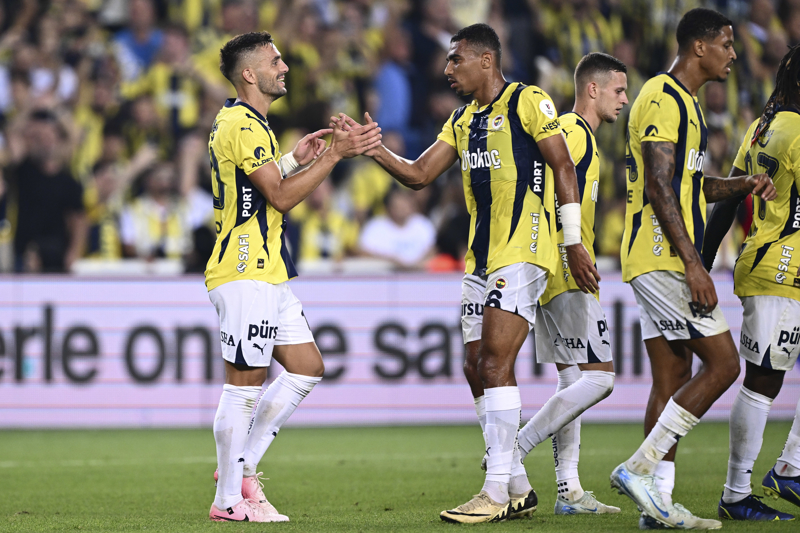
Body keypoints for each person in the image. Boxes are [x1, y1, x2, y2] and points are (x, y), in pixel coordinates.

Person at [334, 23, 599, 524]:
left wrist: (573, 241)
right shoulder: (461, 120)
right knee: (475, 365)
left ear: (486, 60)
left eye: (455, 59)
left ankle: (494, 490)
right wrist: (373, 148)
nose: (447, 69)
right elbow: (419, 175)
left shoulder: (528, 101)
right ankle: (517, 486)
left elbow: (563, 166)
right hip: (480, 260)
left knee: (496, 361)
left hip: (523, 250)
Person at [205, 31, 382, 523]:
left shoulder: (246, 122)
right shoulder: (243, 123)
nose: (284, 67)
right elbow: (280, 198)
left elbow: (252, 187)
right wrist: (333, 156)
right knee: (244, 386)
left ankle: (242, 467)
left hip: (269, 272)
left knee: (306, 367)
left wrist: (290, 161)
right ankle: (228, 501)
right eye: (274, 61)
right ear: (249, 74)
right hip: (244, 270)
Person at [610, 8, 776, 530]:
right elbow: (658, 186)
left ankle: (657, 505)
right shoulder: (662, 96)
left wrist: (741, 184)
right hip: (662, 258)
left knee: (672, 377)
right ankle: (639, 468)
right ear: (699, 47)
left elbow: (689, 186)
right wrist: (693, 264)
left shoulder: (688, 105)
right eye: (726, 44)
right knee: (724, 365)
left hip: (657, 257)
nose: (733, 54)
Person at [513, 52, 628, 516]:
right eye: (618, 90)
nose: (624, 99)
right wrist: (573, 248)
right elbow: (547, 189)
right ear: (592, 89)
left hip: (557, 264)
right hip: (565, 267)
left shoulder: (580, 136)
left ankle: (569, 491)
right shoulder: (572, 129)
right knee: (601, 379)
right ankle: (514, 449)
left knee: (572, 379)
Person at [703, 44, 800, 522]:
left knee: (766, 376)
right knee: (763, 379)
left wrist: (702, 259)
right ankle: (738, 492)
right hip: (779, 268)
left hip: (769, 264)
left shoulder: (764, 125)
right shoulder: (797, 132)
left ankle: (790, 467)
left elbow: (727, 198)